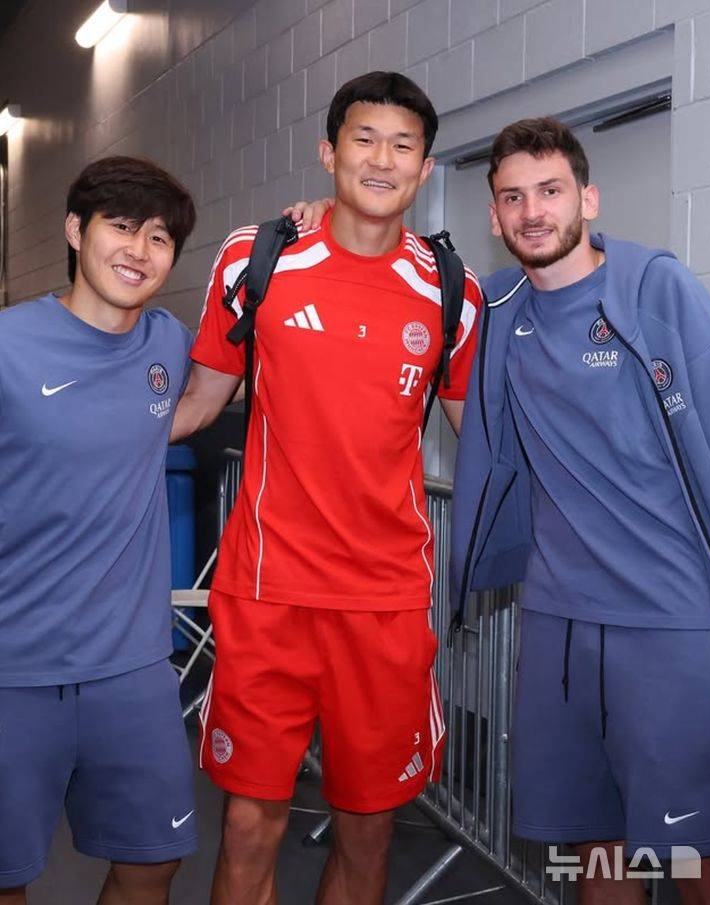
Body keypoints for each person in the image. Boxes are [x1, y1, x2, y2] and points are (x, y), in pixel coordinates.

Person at [171, 71, 481, 904]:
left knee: (368, 830)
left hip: (384, 603)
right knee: (248, 825)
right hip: (267, 591)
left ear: (425, 167)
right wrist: (77, 432)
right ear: (328, 152)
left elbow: (483, 436)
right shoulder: (258, 257)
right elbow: (199, 400)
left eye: (402, 145)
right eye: (363, 139)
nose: (382, 159)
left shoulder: (452, 291)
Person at [450, 116, 710, 903]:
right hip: (558, 623)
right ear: (494, 217)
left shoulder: (655, 290)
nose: (533, 211)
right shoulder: (497, 311)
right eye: (513, 197)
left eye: (550, 190)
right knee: (592, 847)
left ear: (587, 199)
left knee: (694, 850)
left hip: (667, 620)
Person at [0, 156, 201, 905]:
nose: (139, 250)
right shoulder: (9, 344)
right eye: (121, 226)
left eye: (159, 237)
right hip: (13, 666)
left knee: (154, 864)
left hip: (132, 668)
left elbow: (202, 400)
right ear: (75, 230)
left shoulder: (167, 343)